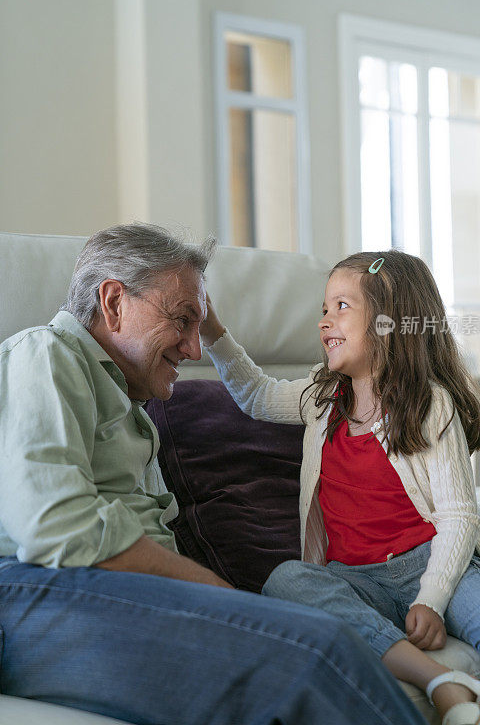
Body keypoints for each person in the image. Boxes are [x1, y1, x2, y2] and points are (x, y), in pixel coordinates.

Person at [0, 224, 426, 725]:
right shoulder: (44, 354)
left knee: (317, 640)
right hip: (34, 592)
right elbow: (53, 524)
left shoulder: (131, 405)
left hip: (101, 596)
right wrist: (219, 598)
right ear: (113, 302)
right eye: (182, 320)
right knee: (315, 649)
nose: (193, 348)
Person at [200, 250, 480, 725]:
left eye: (341, 306)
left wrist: (430, 598)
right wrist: (212, 331)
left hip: (435, 564)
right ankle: (439, 680)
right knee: (285, 580)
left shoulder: (429, 404)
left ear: (388, 323)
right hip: (355, 577)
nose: (324, 321)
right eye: (323, 309)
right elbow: (255, 395)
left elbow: (459, 516)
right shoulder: (320, 394)